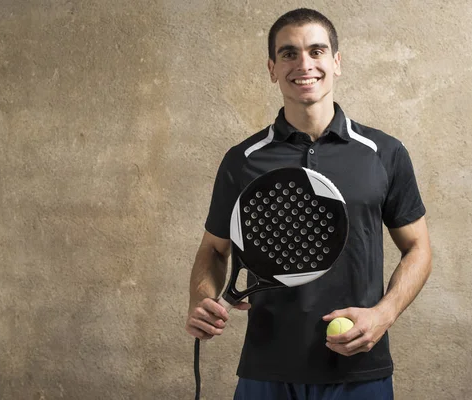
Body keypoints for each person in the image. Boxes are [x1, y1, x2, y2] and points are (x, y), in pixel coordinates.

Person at [185, 8, 432, 400]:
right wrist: (201, 296)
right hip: (267, 369)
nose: (304, 64)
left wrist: (383, 315)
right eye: (288, 54)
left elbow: (418, 248)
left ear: (336, 63)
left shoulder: (383, 153)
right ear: (272, 68)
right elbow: (215, 250)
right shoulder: (243, 159)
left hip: (359, 369)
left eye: (317, 51)